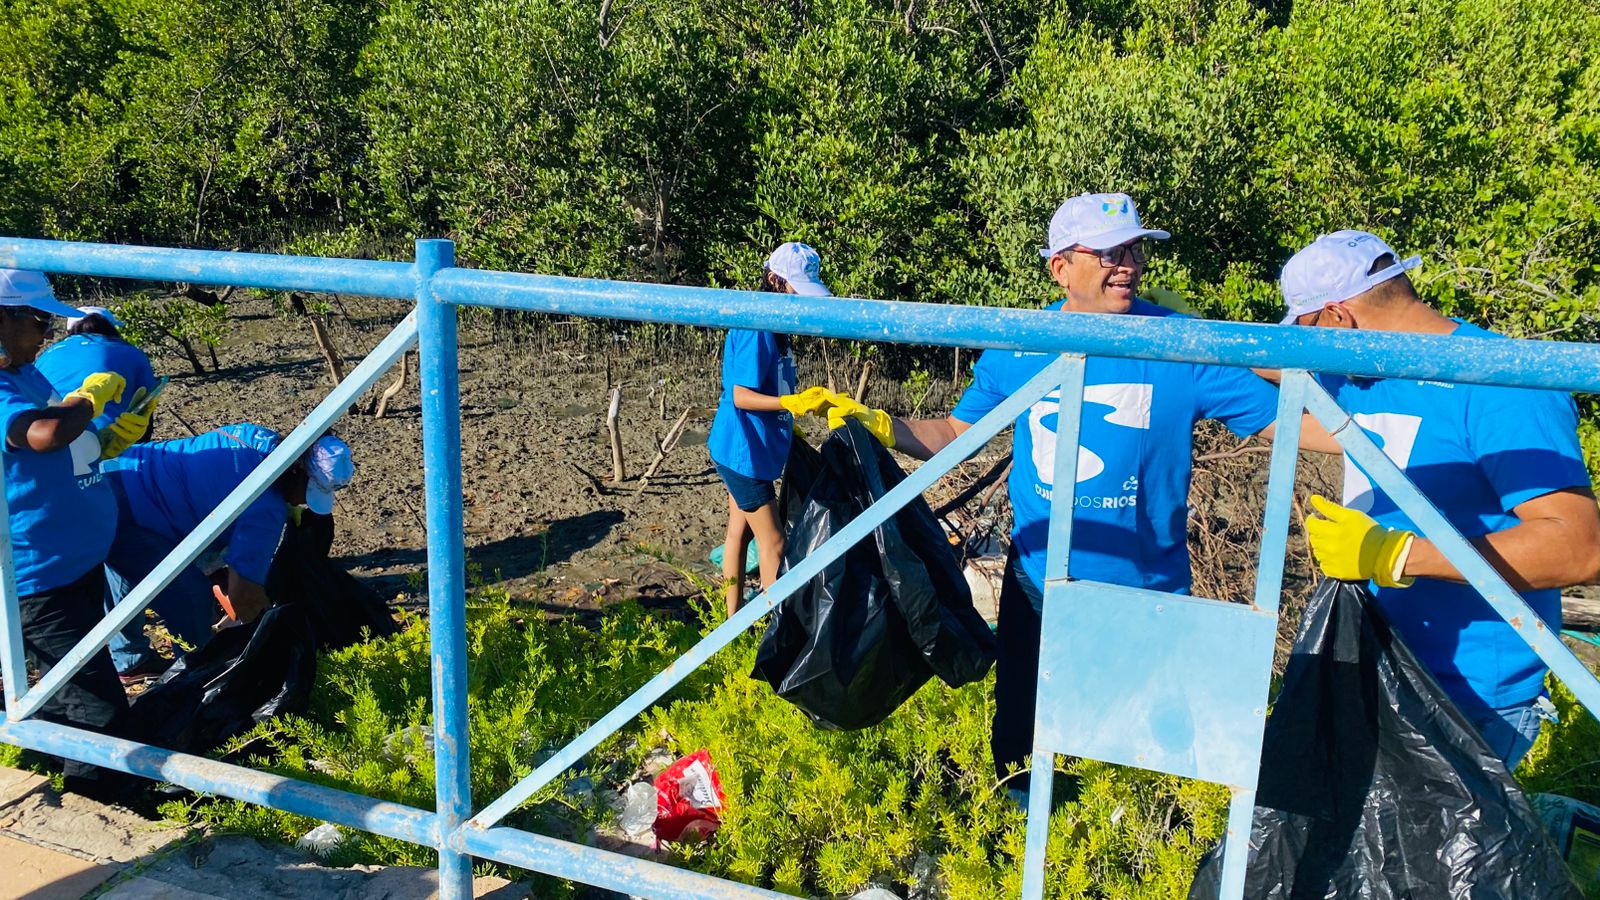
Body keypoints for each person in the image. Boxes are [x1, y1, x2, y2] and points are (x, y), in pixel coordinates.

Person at [828, 193, 1304, 797]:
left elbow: (1290, 422)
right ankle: (1024, 835)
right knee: (1025, 749)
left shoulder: (1181, 344)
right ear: (1060, 267)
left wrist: (1378, 411)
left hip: (1147, 593)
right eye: (1107, 253)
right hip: (1041, 582)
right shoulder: (1023, 344)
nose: (1126, 264)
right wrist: (878, 423)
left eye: (1133, 250)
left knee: (1139, 761)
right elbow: (955, 434)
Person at [1283, 230, 1600, 767]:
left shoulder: (1502, 383)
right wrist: (1171, 325)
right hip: (1384, 664)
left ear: (1338, 318)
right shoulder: (1368, 371)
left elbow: (1579, 547)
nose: (1311, 350)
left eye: (1310, 331)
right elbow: (1269, 363)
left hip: (1471, 697)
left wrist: (1396, 554)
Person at [0, 269, 134, 794]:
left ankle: (46, 768)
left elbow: (58, 438)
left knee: (66, 693)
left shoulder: (24, 371)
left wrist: (101, 438)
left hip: (70, 564)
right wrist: (87, 400)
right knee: (98, 714)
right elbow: (45, 433)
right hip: (37, 580)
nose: (47, 334)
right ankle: (98, 808)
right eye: (39, 321)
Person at [100, 424, 355, 681]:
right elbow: (244, 596)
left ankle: (131, 660)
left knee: (130, 570)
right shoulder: (265, 509)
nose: (303, 502)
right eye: (307, 493)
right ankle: (193, 681)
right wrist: (272, 642)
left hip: (115, 469)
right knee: (192, 600)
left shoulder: (259, 439)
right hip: (123, 511)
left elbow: (212, 493)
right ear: (297, 473)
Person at [706, 242, 848, 616]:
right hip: (743, 451)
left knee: (738, 533)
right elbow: (740, 395)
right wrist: (791, 402)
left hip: (756, 448)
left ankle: (732, 624)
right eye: (796, 291)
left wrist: (793, 413)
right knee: (774, 543)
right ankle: (774, 630)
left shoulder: (777, 325)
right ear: (774, 280)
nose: (801, 302)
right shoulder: (758, 326)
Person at [35, 305, 160, 457]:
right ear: (112, 328)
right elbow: (146, 403)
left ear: (69, 331)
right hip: (107, 441)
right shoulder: (133, 353)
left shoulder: (46, 355)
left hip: (49, 439)